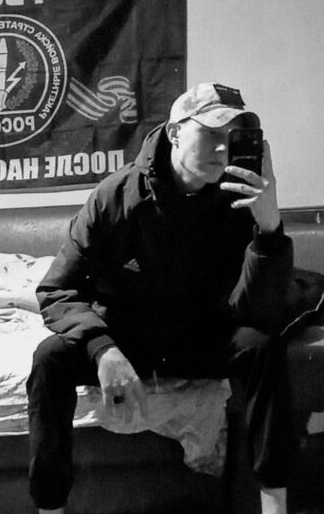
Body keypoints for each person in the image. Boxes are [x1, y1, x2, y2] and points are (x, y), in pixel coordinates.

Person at [26, 82, 295, 514]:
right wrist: (103, 349)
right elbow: (57, 289)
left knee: (263, 348)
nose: (222, 149)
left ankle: (275, 506)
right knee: (50, 358)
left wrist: (269, 230)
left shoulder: (241, 201)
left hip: (201, 336)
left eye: (233, 138)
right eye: (211, 134)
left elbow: (258, 315)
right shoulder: (115, 197)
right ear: (174, 132)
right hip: (128, 337)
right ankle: (50, 508)